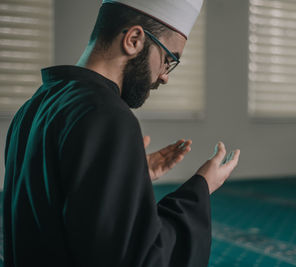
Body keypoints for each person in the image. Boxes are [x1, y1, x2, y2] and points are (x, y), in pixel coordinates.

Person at [2, 0, 240, 266]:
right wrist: (201, 188)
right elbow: (137, 259)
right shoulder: (107, 115)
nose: (164, 76)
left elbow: (54, 207)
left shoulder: (37, 104)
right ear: (134, 39)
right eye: (168, 59)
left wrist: (128, 176)